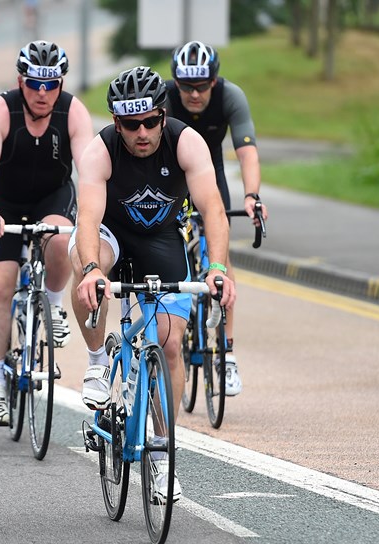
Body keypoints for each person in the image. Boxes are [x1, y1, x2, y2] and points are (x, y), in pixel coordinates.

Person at [70, 66, 236, 499]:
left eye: (149, 122)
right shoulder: (100, 151)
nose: (141, 132)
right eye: (129, 124)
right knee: (90, 266)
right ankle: (97, 363)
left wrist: (217, 268)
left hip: (161, 240)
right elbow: (87, 217)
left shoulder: (187, 143)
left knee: (171, 344)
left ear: (163, 115)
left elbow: (213, 211)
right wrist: (91, 270)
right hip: (110, 235)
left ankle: (162, 457)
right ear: (115, 120)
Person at [0, 40, 94, 425]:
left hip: (51, 197)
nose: (42, 93)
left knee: (61, 238)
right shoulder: (0, 109)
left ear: (60, 84)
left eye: (51, 84)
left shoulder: (73, 111)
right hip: (3, 203)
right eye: (34, 84)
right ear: (20, 81)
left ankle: (54, 304)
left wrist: (94, 216)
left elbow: (91, 173)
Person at [165, 40, 268, 396]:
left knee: (221, 259)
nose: (194, 94)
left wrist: (252, 196)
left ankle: (226, 354)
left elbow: (247, 153)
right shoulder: (163, 98)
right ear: (175, 83)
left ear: (214, 81)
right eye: (186, 86)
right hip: (173, 177)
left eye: (202, 85)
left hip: (211, 178)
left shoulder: (230, 96)